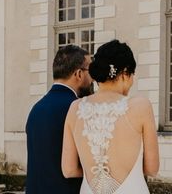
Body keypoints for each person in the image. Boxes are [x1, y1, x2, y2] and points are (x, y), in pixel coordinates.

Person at [62, 40, 159, 194]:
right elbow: (152, 168)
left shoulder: (75, 108)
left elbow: (69, 170)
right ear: (125, 73)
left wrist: (93, 172)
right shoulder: (141, 106)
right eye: (132, 75)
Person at [25, 44, 93, 194]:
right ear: (79, 74)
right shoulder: (78, 109)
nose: (92, 78)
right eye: (90, 70)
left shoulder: (36, 109)